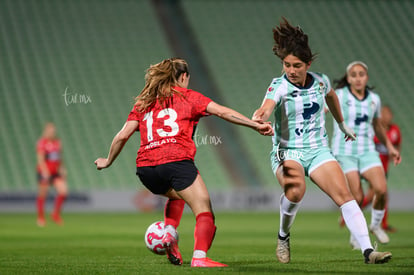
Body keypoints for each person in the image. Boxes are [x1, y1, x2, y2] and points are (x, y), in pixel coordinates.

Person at [94, 58, 273, 268]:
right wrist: (254, 125)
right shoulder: (189, 97)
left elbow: (122, 136)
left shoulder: (144, 103)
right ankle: (200, 257)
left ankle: (169, 235)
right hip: (176, 162)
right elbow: (223, 112)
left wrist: (107, 161)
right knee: (204, 209)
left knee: (177, 195)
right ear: (184, 77)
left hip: (146, 170)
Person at [252, 18, 392, 264]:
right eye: (286, 65)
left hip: (318, 151)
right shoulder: (278, 86)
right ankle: (283, 235)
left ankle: (368, 251)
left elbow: (331, 97)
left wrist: (341, 123)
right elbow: (265, 108)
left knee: (345, 196)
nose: (291, 71)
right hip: (287, 151)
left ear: (308, 63)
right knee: (296, 191)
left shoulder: (321, 81)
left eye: (297, 65)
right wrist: (258, 117)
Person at [331, 63, 401, 248]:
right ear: (348, 78)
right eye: (353, 75)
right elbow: (323, 108)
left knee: (381, 189)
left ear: (366, 77)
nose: (358, 78)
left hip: (367, 150)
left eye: (361, 74)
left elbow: (377, 126)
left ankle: (376, 225)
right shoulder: (339, 95)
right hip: (345, 152)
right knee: (358, 197)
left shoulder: (374, 99)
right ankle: (357, 233)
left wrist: (390, 147)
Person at [339, 105, 402, 232]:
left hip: (384, 169)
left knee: (380, 194)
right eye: (383, 114)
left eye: (388, 114)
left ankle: (378, 223)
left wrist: (394, 153)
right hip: (370, 167)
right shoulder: (373, 130)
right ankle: (375, 223)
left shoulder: (395, 130)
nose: (386, 116)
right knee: (376, 193)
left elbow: (397, 144)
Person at [36, 122, 68, 226]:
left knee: (63, 191)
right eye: (50, 131)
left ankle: (55, 214)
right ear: (46, 131)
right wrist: (45, 171)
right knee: (43, 194)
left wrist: (62, 168)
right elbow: (41, 159)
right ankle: (40, 218)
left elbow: (59, 158)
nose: (52, 133)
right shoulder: (42, 143)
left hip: (55, 172)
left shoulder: (57, 142)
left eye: (53, 131)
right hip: (44, 172)